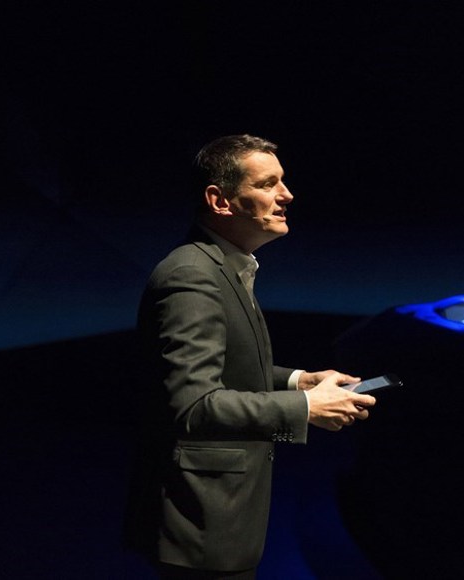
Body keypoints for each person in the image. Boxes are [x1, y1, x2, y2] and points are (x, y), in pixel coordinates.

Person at [123, 134, 377, 579]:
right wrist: (305, 407)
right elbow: (193, 404)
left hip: (219, 519)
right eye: (267, 184)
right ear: (219, 201)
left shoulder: (223, 265)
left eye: (283, 181)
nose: (286, 195)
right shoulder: (191, 277)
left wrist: (298, 381)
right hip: (199, 524)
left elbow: (221, 369)